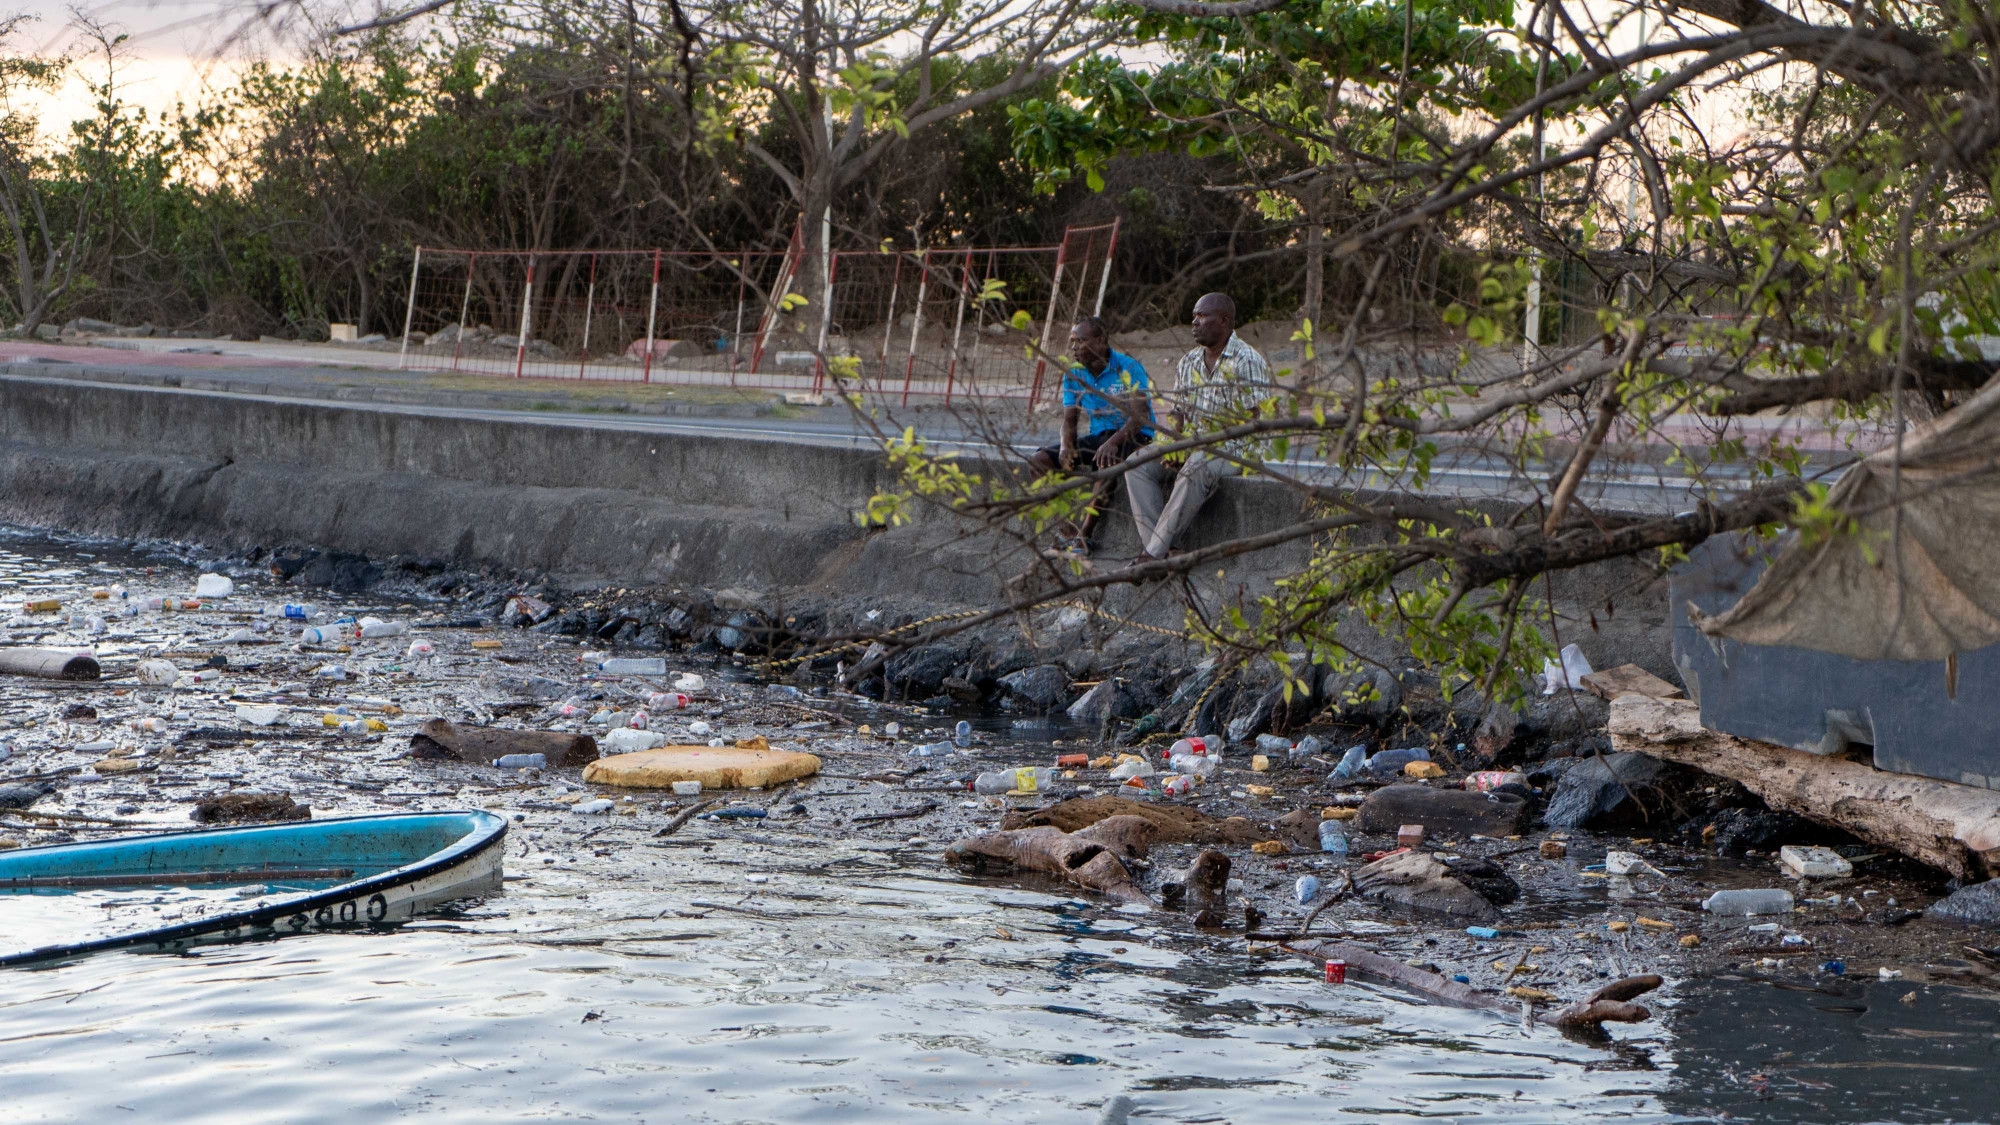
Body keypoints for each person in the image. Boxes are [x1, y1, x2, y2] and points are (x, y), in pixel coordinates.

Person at [1123, 292, 1272, 561]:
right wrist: (1173, 446)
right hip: (1196, 446)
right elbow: (1178, 414)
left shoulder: (1247, 360)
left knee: (1197, 464)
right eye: (1194, 316)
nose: (1194, 322)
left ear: (1224, 320)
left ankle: (1151, 556)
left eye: (1202, 316)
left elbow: (1251, 421)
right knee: (1137, 463)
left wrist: (1193, 448)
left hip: (1239, 449)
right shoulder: (1188, 361)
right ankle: (1167, 549)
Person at [1028, 315, 1155, 553]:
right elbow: (1069, 420)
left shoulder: (1128, 367)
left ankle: (1084, 537)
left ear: (1101, 341)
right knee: (1039, 462)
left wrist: (1113, 443)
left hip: (1134, 434)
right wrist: (1066, 445)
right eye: (1073, 341)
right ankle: (1068, 532)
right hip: (1100, 436)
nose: (1074, 347)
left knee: (1106, 457)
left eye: (1081, 341)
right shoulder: (1074, 373)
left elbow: (1140, 416)